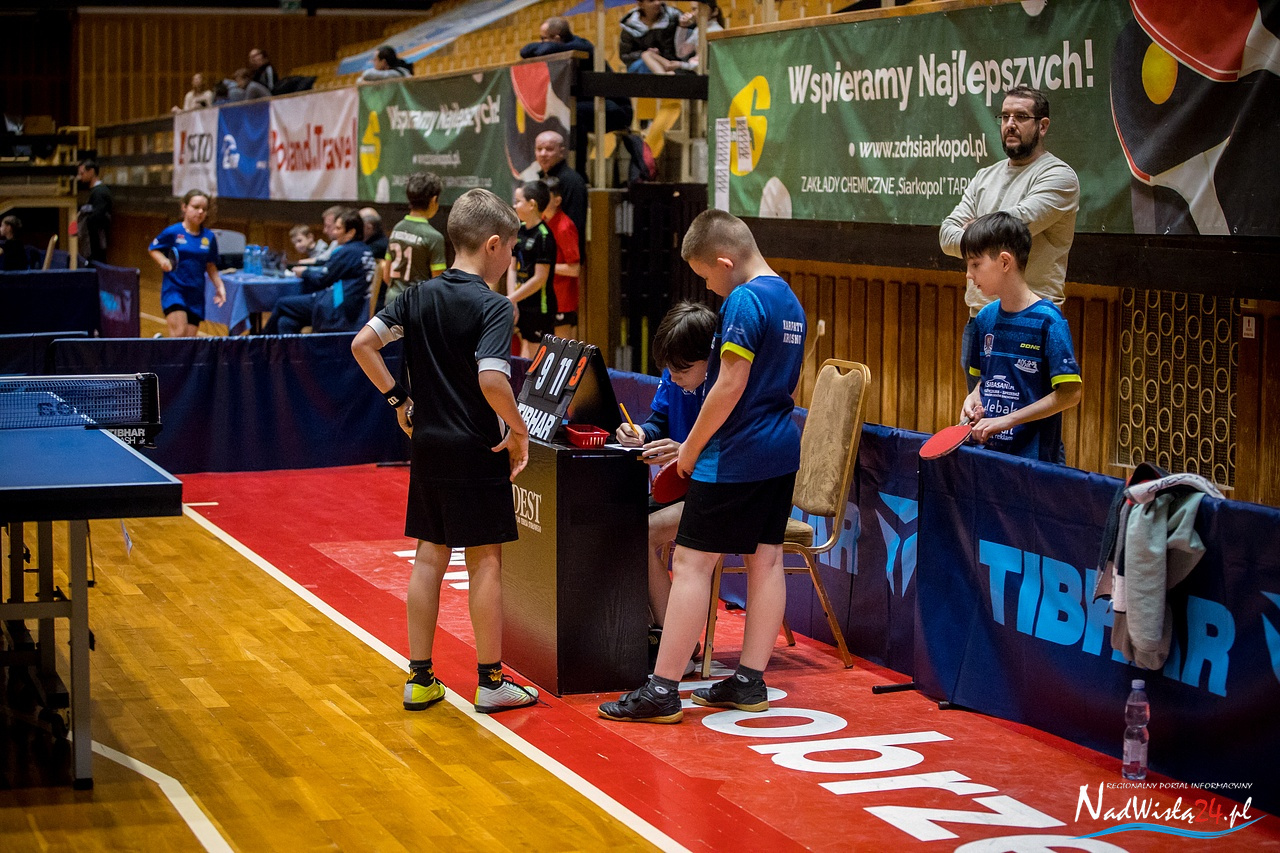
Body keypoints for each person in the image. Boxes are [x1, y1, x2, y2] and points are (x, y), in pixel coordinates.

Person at [599, 209, 806, 724]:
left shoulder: (744, 300)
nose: (708, 287)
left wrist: (690, 449)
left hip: (735, 454)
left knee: (692, 564)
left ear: (724, 260)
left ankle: (663, 690)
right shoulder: (790, 300)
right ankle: (749, 681)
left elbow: (729, 384)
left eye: (706, 275)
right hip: (780, 450)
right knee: (766, 561)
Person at [350, 187, 539, 716]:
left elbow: (363, 344)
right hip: (477, 446)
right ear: (494, 245)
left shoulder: (415, 296)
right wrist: (518, 428)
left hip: (429, 444)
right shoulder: (495, 306)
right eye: (511, 250)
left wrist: (398, 399)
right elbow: (492, 379)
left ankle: (420, 679)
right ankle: (491, 682)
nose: (511, 260)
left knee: (429, 555)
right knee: (485, 559)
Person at [940, 85, 1079, 391]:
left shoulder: (1058, 176)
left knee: (1028, 416)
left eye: (1021, 116)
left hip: (1031, 322)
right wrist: (986, 232)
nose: (1010, 124)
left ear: (1042, 126)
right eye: (1004, 116)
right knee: (979, 414)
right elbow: (946, 235)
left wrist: (974, 227)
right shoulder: (984, 177)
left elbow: (1010, 231)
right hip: (980, 319)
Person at [614, 301, 718, 669]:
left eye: (682, 370)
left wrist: (687, 449)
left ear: (710, 358)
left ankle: (680, 647)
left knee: (641, 533)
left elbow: (731, 450)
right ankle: (652, 632)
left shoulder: (727, 386)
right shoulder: (676, 373)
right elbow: (659, 419)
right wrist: (642, 433)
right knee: (618, 522)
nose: (673, 377)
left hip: (716, 492)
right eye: (668, 370)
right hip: (685, 490)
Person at [960, 211, 1082, 463]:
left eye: (975, 264)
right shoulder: (984, 319)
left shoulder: (1049, 321)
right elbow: (984, 380)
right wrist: (973, 397)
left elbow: (1071, 394)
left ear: (1005, 262)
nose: (968, 275)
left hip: (1034, 465)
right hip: (990, 457)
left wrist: (1007, 421)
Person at [519, 17, 633, 136]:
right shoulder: (563, 47)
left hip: (617, 108)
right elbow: (525, 51)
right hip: (594, 102)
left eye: (543, 39)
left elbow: (546, 49)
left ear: (556, 38)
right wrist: (543, 45)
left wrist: (544, 46)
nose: (541, 42)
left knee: (572, 113)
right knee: (557, 111)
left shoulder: (582, 47)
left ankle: (578, 149)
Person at [266, 208, 374, 334]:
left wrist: (304, 272)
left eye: (338, 228)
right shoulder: (362, 249)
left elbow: (322, 279)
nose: (334, 232)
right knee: (285, 322)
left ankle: (260, 342)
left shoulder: (348, 252)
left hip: (339, 309)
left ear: (351, 232)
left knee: (281, 303)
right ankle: (281, 347)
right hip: (347, 305)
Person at [147, 189, 227, 338]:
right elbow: (153, 249)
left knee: (189, 342)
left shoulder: (209, 237)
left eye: (204, 209)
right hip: (175, 290)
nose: (200, 212)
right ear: (184, 207)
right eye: (196, 207)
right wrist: (163, 260)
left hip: (196, 294)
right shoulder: (173, 232)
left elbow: (210, 266)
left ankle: (161, 344)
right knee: (179, 334)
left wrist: (220, 286)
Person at [381, 171, 447, 312]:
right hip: (418, 307)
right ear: (434, 200)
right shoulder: (434, 237)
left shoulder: (397, 228)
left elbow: (386, 275)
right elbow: (438, 284)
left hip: (391, 304)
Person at [507, 180, 557, 358]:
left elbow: (540, 279)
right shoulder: (518, 230)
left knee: (538, 360)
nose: (515, 206)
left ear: (532, 204)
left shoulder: (543, 236)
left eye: (518, 201)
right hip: (519, 303)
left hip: (539, 308)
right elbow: (512, 268)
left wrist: (511, 299)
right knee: (523, 354)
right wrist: (513, 301)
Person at [541, 176, 580, 339]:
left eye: (545, 197)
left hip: (562, 301)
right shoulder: (541, 222)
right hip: (544, 298)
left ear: (557, 201)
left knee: (562, 348)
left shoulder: (564, 227)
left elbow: (574, 269)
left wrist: (544, 267)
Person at [534, 131, 586, 248]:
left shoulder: (572, 181)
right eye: (539, 149)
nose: (543, 154)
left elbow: (574, 224)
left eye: (549, 149)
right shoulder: (542, 178)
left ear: (562, 151)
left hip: (565, 251)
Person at [619, 0, 682, 74]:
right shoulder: (630, 25)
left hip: (670, 62)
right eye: (651, 1)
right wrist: (646, 53)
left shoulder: (674, 15)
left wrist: (688, 23)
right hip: (640, 64)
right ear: (641, 4)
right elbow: (625, 55)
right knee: (645, 63)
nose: (657, 3)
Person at [76, 158, 112, 263]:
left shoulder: (99, 192)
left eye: (82, 173)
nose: (80, 177)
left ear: (91, 171)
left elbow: (97, 216)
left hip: (96, 241)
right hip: (94, 240)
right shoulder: (98, 191)